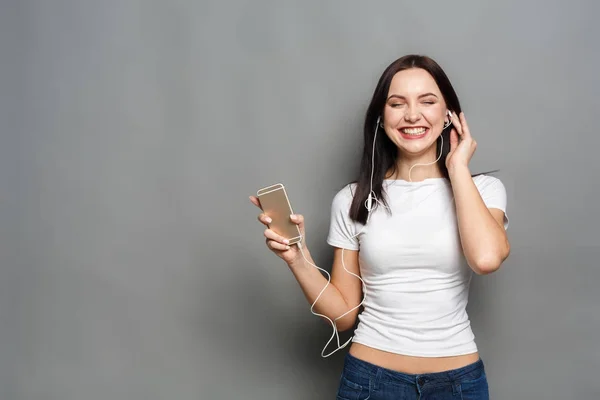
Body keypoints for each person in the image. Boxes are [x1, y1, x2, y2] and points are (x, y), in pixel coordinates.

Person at [249, 54, 510, 400]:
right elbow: (343, 315)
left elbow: (487, 258)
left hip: (458, 384)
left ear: (449, 115)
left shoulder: (483, 192)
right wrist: (297, 258)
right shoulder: (353, 199)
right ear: (380, 118)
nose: (413, 115)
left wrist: (458, 167)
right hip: (371, 382)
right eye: (397, 103)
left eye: (427, 101)